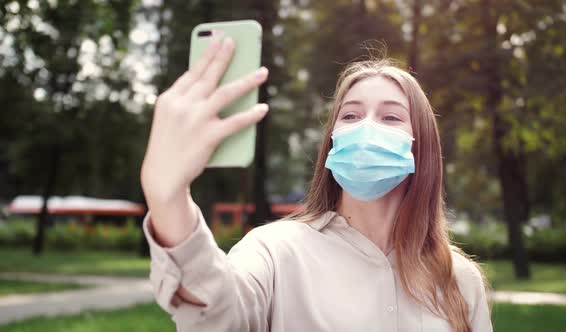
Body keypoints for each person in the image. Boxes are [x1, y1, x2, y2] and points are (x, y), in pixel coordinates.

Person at [140, 33, 493, 332]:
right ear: (332, 140)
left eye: (390, 117)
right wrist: (168, 198)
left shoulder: (460, 280)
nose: (366, 128)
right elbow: (218, 312)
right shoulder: (275, 251)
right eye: (351, 115)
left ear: (422, 146)